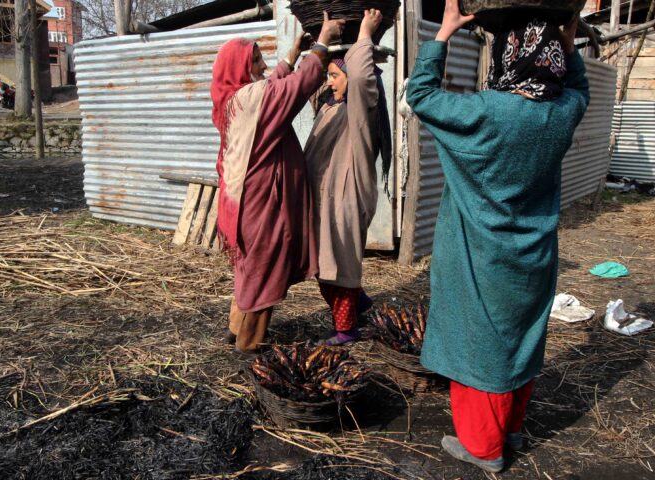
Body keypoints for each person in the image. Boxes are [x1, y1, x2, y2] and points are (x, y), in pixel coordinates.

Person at [406, 0, 589, 473]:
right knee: (520, 340)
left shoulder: (487, 112)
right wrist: (569, 48)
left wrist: (443, 35)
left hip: (480, 256)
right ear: (547, 52)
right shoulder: (564, 111)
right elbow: (579, 87)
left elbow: (420, 96)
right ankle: (510, 427)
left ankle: (485, 449)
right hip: (534, 255)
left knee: (480, 346)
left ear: (508, 51)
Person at [211, 13, 345, 354]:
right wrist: (322, 44)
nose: (262, 64)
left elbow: (271, 86)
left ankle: (235, 326)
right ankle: (248, 344)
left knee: (249, 264)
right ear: (240, 68)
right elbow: (292, 89)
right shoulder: (255, 99)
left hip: (240, 201)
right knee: (264, 266)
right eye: (255, 60)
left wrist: (292, 55)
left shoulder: (232, 97)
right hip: (261, 204)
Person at [303, 9, 391, 346]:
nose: (330, 81)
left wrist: (366, 33)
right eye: (328, 76)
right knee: (325, 264)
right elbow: (308, 83)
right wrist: (319, 42)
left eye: (335, 76)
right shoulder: (328, 106)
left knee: (337, 267)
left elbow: (360, 77)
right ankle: (363, 306)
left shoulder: (360, 112)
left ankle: (347, 329)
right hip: (324, 201)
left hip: (345, 200)